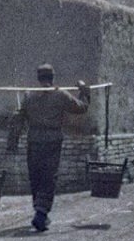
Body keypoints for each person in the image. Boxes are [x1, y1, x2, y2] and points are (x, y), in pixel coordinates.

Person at [6, 64, 90, 232]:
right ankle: (41, 213)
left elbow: (18, 119)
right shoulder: (60, 95)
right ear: (52, 78)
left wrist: (13, 141)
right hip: (52, 141)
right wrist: (84, 90)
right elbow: (81, 107)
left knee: (35, 175)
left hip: (34, 140)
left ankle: (40, 210)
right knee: (48, 176)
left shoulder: (29, 96)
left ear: (38, 78)